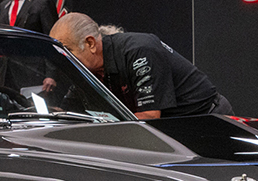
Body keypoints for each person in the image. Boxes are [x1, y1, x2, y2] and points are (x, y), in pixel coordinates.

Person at [50, 13, 232, 118]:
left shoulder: (140, 50)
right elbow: (68, 112)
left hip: (207, 119)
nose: (63, 59)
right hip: (171, 130)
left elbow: (150, 117)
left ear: (90, 43)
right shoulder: (85, 69)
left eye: (67, 50)